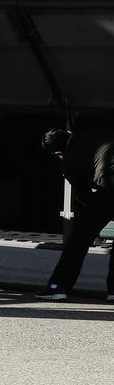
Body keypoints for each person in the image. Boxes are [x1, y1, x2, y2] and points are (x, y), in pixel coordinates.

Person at [34, 123, 114, 302]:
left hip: (109, 186)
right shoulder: (93, 131)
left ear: (57, 154)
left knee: (79, 239)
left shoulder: (68, 162)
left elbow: (84, 197)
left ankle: (58, 286)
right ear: (68, 133)